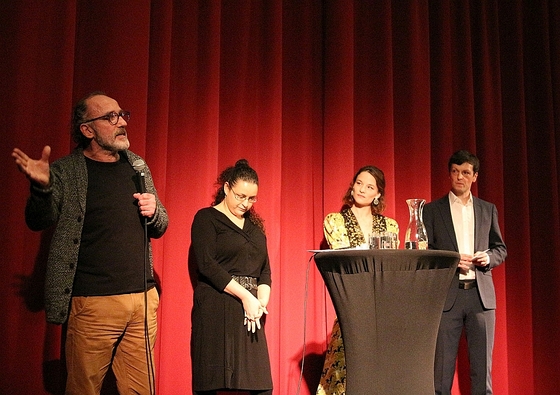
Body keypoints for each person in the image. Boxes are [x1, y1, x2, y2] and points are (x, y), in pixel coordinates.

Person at [11, 92, 169, 395]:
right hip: (93, 304)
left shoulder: (137, 165)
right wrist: (42, 188)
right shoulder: (66, 171)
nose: (122, 122)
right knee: (84, 389)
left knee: (141, 391)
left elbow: (160, 225)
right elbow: (37, 220)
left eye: (122, 114)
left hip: (143, 301)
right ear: (87, 129)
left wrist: (156, 211)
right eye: (111, 117)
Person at [422, 150, 507, 395]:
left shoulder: (487, 209)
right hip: (448, 296)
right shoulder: (431, 211)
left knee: (482, 372)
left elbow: (500, 248)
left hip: (481, 297)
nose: (460, 177)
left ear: (475, 176)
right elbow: (426, 252)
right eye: (455, 171)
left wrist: (488, 257)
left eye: (466, 172)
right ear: (449, 174)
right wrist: (452, 260)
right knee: (441, 372)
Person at [190, 159, 273, 395]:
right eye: (240, 196)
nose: (245, 203)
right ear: (226, 188)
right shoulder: (206, 218)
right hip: (217, 305)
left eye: (251, 198)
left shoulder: (255, 230)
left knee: (261, 386)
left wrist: (260, 303)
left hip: (250, 313)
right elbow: (207, 265)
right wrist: (246, 296)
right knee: (212, 381)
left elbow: (265, 271)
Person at [317, 165, 399, 395]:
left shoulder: (390, 225)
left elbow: (391, 265)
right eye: (359, 183)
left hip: (382, 305)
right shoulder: (335, 220)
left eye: (369, 186)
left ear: (378, 194)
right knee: (344, 366)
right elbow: (345, 257)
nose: (362, 189)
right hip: (351, 301)